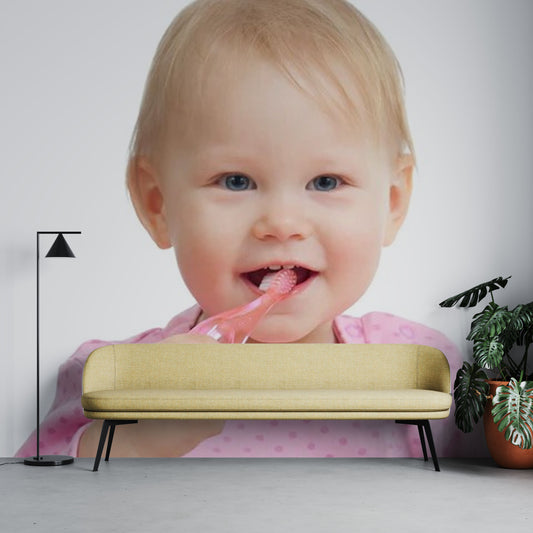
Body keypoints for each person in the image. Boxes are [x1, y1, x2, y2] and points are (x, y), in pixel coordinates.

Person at [16, 0, 485, 459]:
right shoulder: (112, 379)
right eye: (236, 181)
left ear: (392, 202)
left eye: (325, 182)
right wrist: (141, 433)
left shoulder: (426, 372)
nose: (281, 222)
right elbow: (35, 493)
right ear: (157, 203)